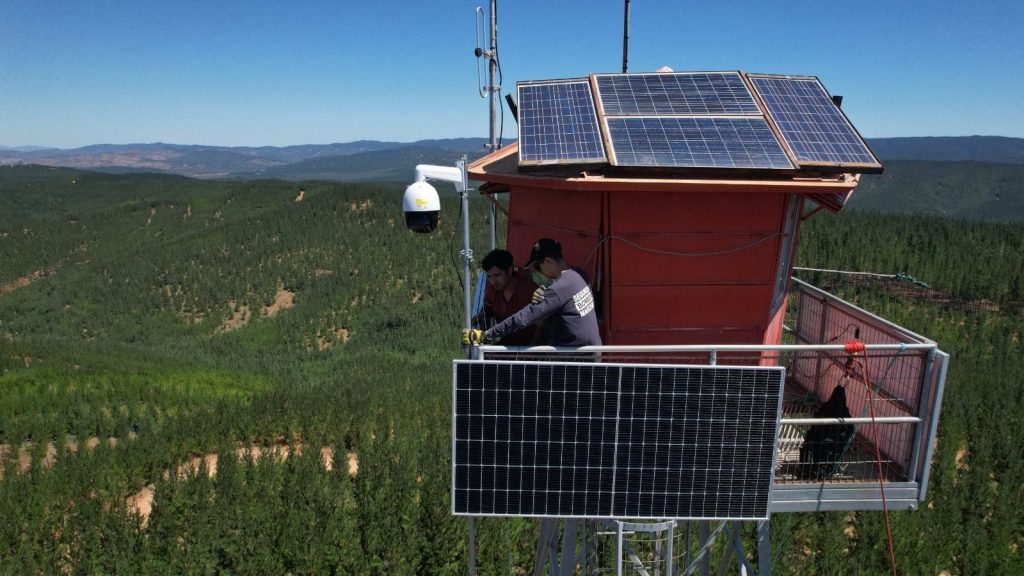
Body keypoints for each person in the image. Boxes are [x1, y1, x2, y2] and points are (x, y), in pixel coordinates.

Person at [463, 238, 601, 347]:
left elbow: (522, 319)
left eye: (537, 267)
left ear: (548, 261)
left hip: (573, 359)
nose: (538, 272)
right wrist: (547, 289)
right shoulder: (579, 274)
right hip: (590, 351)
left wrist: (486, 335)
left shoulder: (556, 290)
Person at [474, 249, 539, 345]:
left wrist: (533, 350)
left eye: (497, 275)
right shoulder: (491, 290)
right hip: (506, 344)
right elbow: (487, 310)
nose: (493, 281)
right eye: (489, 276)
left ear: (509, 270)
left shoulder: (529, 290)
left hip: (530, 347)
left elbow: (542, 325)